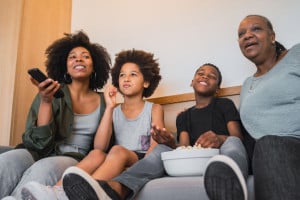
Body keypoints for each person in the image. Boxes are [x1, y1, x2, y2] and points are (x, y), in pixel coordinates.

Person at [61, 63, 249, 200]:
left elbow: (237, 137)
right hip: (193, 161)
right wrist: (169, 143)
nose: (205, 76)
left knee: (233, 142)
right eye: (200, 73)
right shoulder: (183, 117)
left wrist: (219, 138)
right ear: (192, 82)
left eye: (212, 76)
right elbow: (182, 148)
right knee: (162, 150)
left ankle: (228, 181)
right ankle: (115, 189)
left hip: (221, 156)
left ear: (218, 88)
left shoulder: (224, 104)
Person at [21, 49, 164, 200]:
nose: (126, 79)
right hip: (114, 157)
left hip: (140, 158)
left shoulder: (154, 109)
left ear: (147, 82)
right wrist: (109, 108)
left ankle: (90, 189)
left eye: (133, 74)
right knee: (96, 154)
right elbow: (100, 147)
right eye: (122, 75)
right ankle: (57, 191)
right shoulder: (113, 110)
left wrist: (138, 170)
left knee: (117, 150)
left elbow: (156, 145)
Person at [0, 30, 111, 199]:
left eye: (85, 56)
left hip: (73, 158)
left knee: (45, 167)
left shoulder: (106, 101)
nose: (79, 59)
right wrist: (46, 101)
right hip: (38, 151)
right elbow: (38, 144)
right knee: (10, 159)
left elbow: (103, 148)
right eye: (72, 57)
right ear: (64, 66)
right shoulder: (50, 91)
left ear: (94, 65)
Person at [204, 15, 300, 200]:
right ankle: (230, 175)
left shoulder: (296, 55)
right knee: (235, 145)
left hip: (292, 143)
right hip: (258, 150)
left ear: (272, 36)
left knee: (268, 144)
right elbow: (246, 131)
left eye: (256, 29)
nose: (247, 35)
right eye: (241, 34)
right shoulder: (247, 84)